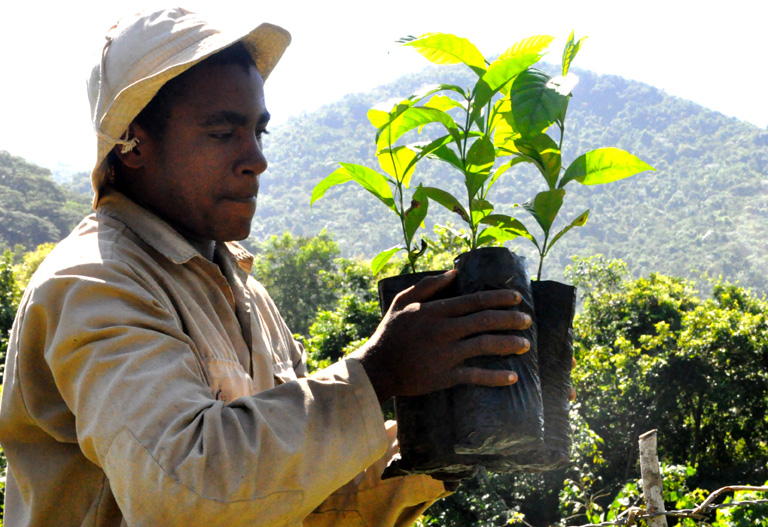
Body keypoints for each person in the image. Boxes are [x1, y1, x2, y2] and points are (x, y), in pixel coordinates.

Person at [0, 7, 532, 527]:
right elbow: (185, 493)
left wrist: (453, 433)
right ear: (132, 144)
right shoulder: (95, 284)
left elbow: (295, 497)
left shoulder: (241, 289)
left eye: (259, 131)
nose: (256, 158)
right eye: (221, 132)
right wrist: (377, 372)